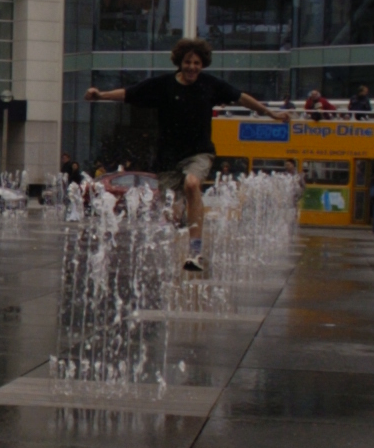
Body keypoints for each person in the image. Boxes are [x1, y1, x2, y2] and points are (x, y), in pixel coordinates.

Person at [85, 39, 280, 275]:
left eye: (197, 63)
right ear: (180, 62)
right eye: (188, 62)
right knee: (173, 215)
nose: (192, 67)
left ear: (203, 64)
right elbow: (130, 93)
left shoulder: (210, 85)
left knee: (192, 183)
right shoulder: (163, 85)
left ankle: (195, 251)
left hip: (199, 152)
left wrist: (268, 112)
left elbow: (241, 97)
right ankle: (182, 237)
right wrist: (100, 95)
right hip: (168, 160)